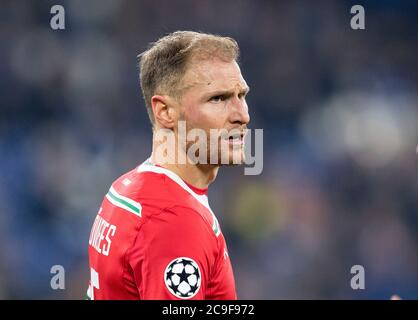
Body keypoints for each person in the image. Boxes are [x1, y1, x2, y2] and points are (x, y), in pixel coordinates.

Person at [87, 31, 250, 300]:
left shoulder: (128, 187)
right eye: (218, 99)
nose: (242, 115)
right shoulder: (175, 221)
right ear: (165, 112)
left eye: (241, 95)